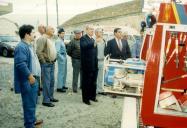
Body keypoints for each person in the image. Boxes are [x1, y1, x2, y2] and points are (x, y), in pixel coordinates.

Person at [14, 24, 43, 128]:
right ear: (27, 34)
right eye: (33, 32)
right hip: (29, 80)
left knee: (32, 102)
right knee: (29, 104)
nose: (34, 34)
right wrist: (30, 76)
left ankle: (32, 120)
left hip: (33, 78)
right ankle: (29, 125)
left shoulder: (29, 45)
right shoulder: (21, 47)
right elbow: (20, 64)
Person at [36, 26, 58, 107]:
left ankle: (50, 97)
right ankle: (46, 100)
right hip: (46, 64)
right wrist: (43, 62)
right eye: (51, 29)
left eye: (53, 29)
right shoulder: (42, 38)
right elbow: (38, 51)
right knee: (46, 82)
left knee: (52, 81)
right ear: (46, 30)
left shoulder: (51, 38)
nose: (53, 30)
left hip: (52, 63)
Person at [80, 25, 98, 105]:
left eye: (93, 29)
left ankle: (92, 96)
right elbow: (83, 46)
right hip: (87, 65)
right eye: (91, 29)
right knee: (86, 82)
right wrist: (93, 44)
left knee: (93, 82)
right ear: (86, 30)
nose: (92, 31)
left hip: (94, 64)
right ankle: (85, 99)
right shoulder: (83, 38)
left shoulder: (93, 39)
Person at [55, 28, 68, 93]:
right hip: (61, 58)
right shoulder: (58, 41)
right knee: (61, 72)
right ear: (58, 34)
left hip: (64, 57)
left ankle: (63, 85)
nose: (63, 34)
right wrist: (62, 58)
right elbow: (57, 52)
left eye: (64, 33)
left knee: (64, 72)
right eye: (62, 33)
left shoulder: (62, 40)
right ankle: (59, 87)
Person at [95, 28, 107, 95]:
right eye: (100, 32)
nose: (102, 33)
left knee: (101, 76)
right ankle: (94, 90)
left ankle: (100, 90)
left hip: (102, 61)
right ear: (96, 33)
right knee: (95, 76)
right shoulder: (94, 41)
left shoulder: (104, 40)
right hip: (96, 61)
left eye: (102, 32)